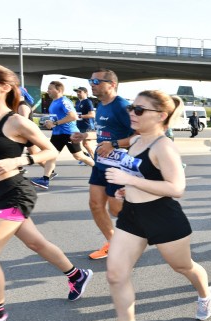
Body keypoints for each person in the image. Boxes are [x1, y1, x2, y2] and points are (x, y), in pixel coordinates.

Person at [91, 90, 211, 321]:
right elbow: (143, 175)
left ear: (160, 115)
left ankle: (206, 294)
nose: (131, 113)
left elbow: (176, 188)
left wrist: (131, 181)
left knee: (183, 267)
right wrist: (130, 189)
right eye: (131, 108)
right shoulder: (136, 140)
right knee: (116, 274)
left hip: (163, 217)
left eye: (139, 110)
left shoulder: (163, 146)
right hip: (132, 216)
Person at [0, 62, 93, 321]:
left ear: (4, 87)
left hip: (14, 194)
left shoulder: (16, 122)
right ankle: (76, 275)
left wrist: (19, 160)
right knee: (36, 243)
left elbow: (48, 152)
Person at [71, 69, 135, 260]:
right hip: (100, 164)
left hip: (118, 165)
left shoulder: (122, 106)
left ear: (112, 84)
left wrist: (114, 144)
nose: (92, 84)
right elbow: (103, 135)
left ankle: (139, 231)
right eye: (91, 80)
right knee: (95, 205)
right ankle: (114, 244)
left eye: (97, 81)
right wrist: (86, 136)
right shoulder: (102, 105)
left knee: (116, 210)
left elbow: (139, 135)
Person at [29, 81, 94, 190]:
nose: (48, 90)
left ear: (58, 90)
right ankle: (45, 179)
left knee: (79, 156)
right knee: (51, 155)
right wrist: (49, 122)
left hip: (69, 133)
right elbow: (57, 117)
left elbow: (73, 116)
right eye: (48, 88)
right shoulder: (54, 102)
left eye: (50, 88)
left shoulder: (64, 101)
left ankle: (98, 169)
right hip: (57, 133)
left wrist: (54, 123)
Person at [74, 86, 97, 158]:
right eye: (77, 92)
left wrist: (80, 116)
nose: (78, 93)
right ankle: (86, 156)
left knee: (86, 144)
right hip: (78, 125)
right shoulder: (78, 102)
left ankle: (94, 160)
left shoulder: (87, 102)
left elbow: (92, 114)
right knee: (74, 142)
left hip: (87, 126)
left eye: (80, 92)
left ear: (86, 93)